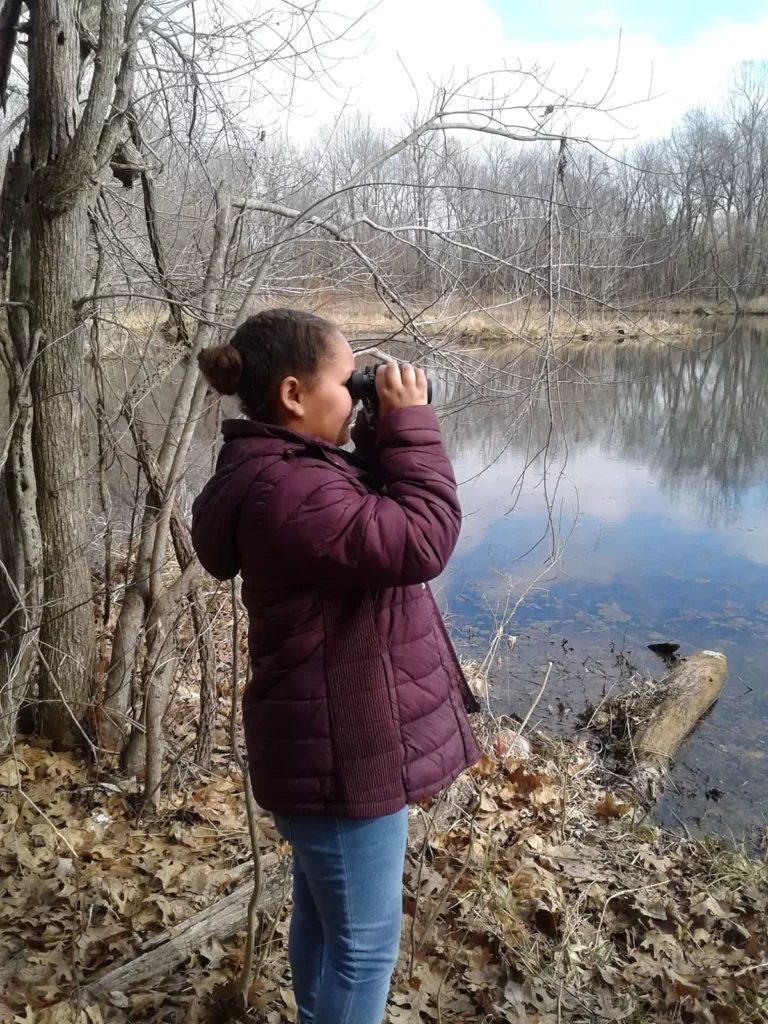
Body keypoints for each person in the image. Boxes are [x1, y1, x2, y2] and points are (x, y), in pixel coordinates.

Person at [191, 308, 480, 1024]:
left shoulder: (285, 472)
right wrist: (412, 426)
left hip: (323, 743)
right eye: (346, 381)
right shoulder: (294, 493)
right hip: (345, 751)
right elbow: (420, 539)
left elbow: (370, 512)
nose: (357, 393)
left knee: (325, 924)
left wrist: (380, 429)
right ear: (293, 395)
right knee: (364, 947)